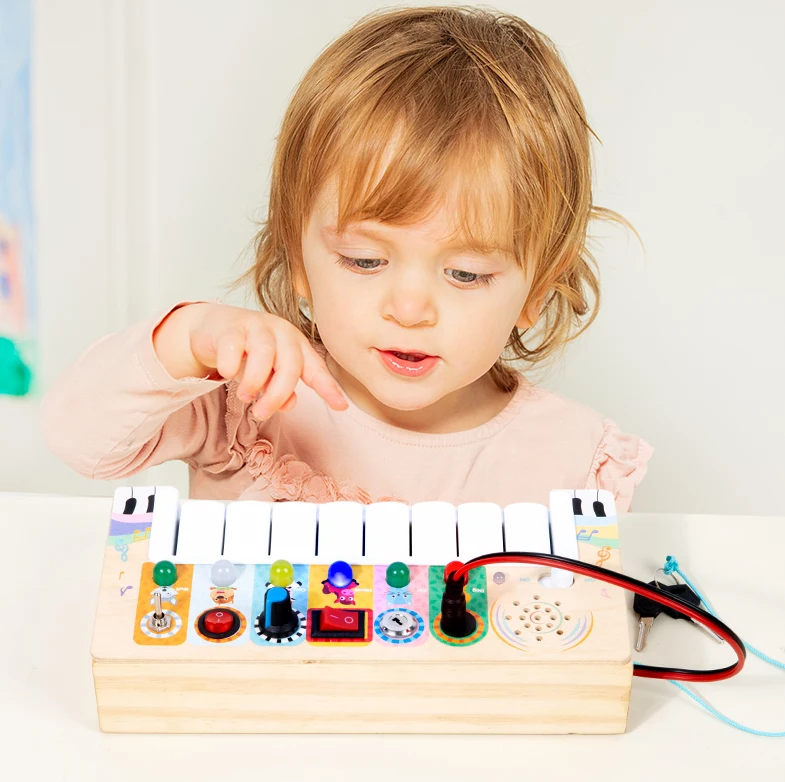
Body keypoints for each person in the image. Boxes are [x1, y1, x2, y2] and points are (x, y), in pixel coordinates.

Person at [41, 6, 653, 512]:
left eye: (465, 273)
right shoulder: (246, 400)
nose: (409, 308)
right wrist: (189, 337)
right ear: (299, 261)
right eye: (364, 260)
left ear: (539, 291)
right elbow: (79, 439)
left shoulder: (575, 461)